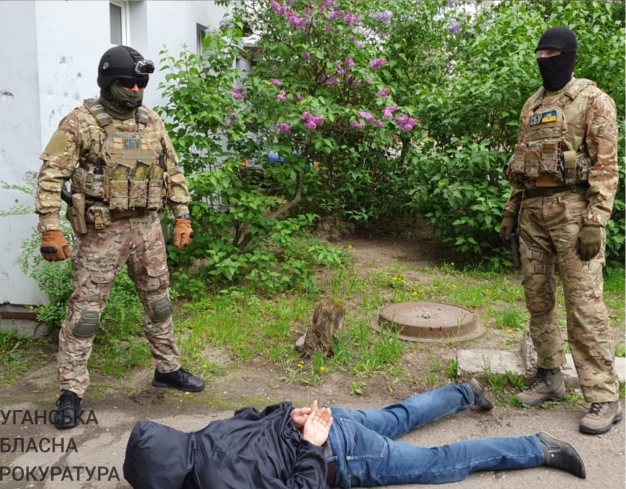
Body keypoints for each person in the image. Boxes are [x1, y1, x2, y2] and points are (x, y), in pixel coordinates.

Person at [35, 45, 204, 430]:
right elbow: (51, 177)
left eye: (140, 83)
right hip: (101, 231)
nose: (135, 89)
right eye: (128, 82)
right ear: (109, 82)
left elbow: (172, 172)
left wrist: (182, 218)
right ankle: (71, 391)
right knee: (86, 314)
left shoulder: (151, 122)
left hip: (147, 228)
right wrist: (50, 227)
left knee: (159, 302)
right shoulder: (80, 123)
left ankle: (168, 368)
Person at [123, 380, 586, 488]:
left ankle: (536, 447)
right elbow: (253, 414)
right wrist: (292, 414)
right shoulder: (204, 434)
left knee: (437, 463)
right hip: (326, 419)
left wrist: (309, 441)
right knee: (396, 417)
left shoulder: (214, 482)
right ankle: (465, 391)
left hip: (336, 451)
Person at [500, 26, 621, 435]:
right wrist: (512, 211)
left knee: (584, 305)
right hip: (533, 211)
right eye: (540, 54)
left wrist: (595, 221)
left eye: (552, 54)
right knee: (538, 299)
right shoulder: (532, 105)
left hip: (573, 210)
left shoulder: (593, 99)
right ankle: (549, 376)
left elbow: (606, 166)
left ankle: (603, 396)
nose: (544, 60)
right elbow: (524, 162)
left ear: (568, 55)